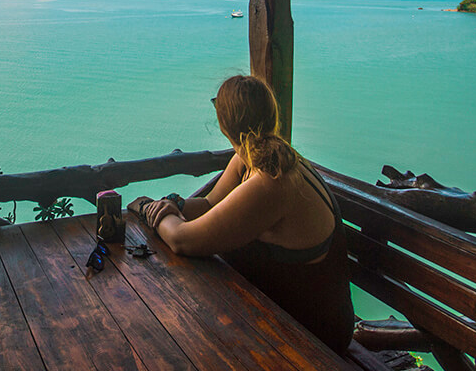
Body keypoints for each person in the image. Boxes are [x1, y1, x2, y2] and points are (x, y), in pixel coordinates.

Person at [134, 74, 355, 354]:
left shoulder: (271, 181)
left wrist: (149, 210)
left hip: (313, 336)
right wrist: (175, 204)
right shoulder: (252, 157)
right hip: (275, 312)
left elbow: (182, 240)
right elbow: (211, 204)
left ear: (224, 123)